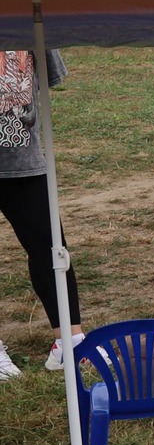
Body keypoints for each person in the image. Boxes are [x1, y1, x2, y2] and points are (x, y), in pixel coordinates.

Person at [0, 50, 85, 379]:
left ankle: (69, 340)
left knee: (51, 247)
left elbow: (49, 78)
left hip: (21, 156)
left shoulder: (25, 9)